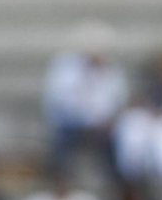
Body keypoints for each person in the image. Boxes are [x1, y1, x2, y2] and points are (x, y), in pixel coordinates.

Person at [42, 21, 130, 177]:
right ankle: (60, 176)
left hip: (102, 126)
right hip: (71, 122)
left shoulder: (112, 70)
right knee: (62, 142)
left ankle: (118, 179)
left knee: (118, 140)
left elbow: (118, 100)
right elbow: (59, 100)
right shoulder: (66, 67)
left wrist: (105, 121)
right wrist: (85, 119)